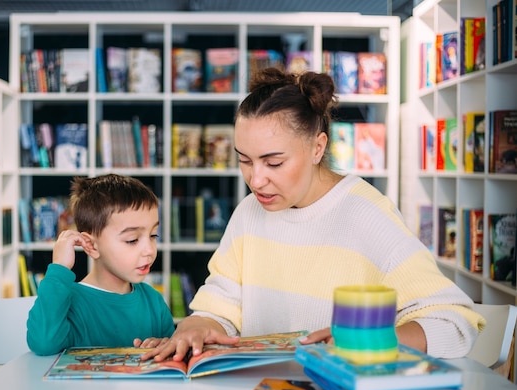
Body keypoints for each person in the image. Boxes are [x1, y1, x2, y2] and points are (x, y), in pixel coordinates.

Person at [143, 67, 484, 363]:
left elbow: (454, 321)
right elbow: (220, 309)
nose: (255, 179)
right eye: (244, 160)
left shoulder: (367, 214)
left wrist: (365, 341)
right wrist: (195, 327)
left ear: (317, 148)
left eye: (274, 162)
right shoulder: (249, 213)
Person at [27, 173, 175, 356]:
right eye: (132, 240)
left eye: (153, 235)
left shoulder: (153, 301)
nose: (149, 250)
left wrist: (165, 345)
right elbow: (43, 343)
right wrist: (59, 267)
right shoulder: (69, 302)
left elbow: (174, 361)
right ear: (90, 245)